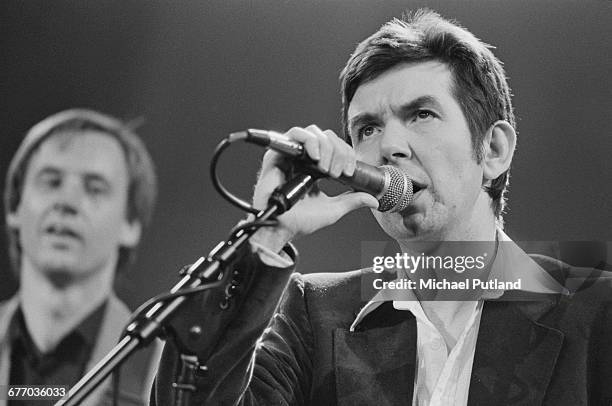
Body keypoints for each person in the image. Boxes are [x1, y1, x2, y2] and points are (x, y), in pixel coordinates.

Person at [153, 9, 612, 405]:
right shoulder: (315, 313)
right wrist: (268, 232)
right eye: (367, 129)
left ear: (492, 149)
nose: (389, 145)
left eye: (421, 115)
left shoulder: (596, 311)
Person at [0, 109, 161, 406]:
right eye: (51, 181)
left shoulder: (161, 373)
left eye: (94, 188)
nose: (67, 202)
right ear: (14, 208)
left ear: (131, 224)